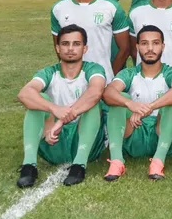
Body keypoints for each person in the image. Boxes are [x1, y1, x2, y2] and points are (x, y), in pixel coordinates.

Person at [16, 25, 106, 188]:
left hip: (85, 141)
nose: (70, 49)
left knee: (94, 104)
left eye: (76, 44)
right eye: (65, 44)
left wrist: (62, 119)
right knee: (39, 98)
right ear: (57, 48)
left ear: (85, 48)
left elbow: (96, 91)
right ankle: (29, 166)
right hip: (54, 140)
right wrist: (54, 109)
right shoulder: (49, 72)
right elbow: (24, 94)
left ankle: (79, 166)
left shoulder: (93, 69)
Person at [103, 26, 172, 181]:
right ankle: (116, 161)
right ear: (137, 47)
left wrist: (148, 108)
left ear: (163, 46)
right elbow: (108, 93)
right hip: (136, 134)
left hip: (162, 133)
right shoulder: (129, 73)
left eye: (155, 43)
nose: (150, 48)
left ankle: (158, 161)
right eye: (144, 43)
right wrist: (130, 104)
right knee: (118, 98)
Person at [50, 0, 130, 81]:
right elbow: (59, 48)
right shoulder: (59, 8)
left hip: (104, 81)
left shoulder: (112, 7)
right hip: (71, 80)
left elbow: (125, 48)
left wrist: (110, 76)